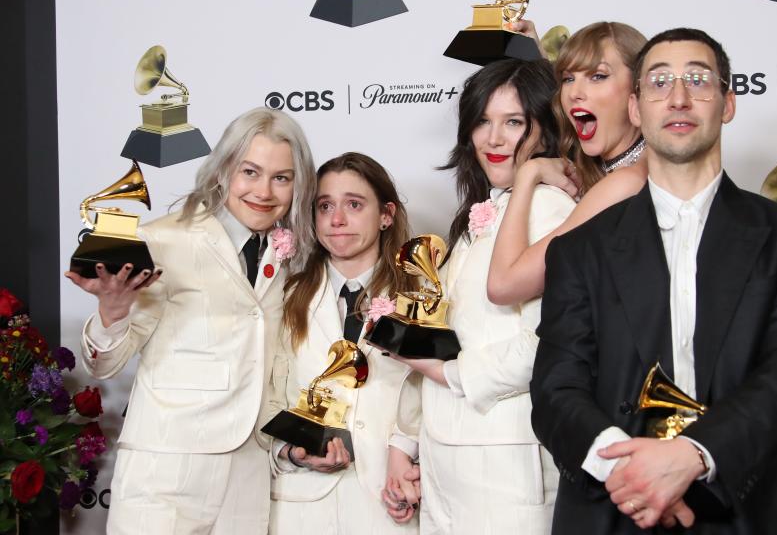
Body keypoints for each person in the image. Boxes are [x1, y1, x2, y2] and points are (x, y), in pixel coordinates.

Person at [530, 28, 777, 533]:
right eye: (658, 83)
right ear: (635, 108)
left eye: (698, 80)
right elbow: (556, 389)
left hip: (754, 505)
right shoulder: (579, 249)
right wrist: (633, 473)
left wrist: (694, 456)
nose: (677, 97)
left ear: (728, 103)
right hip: (616, 505)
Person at [66, 107, 316, 534]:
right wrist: (112, 312)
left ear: (298, 186)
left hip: (249, 476)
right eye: (250, 172)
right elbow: (104, 363)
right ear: (222, 171)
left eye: (282, 177)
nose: (264, 191)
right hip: (167, 471)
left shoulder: (292, 256)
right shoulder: (163, 239)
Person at [384, 58, 576, 534]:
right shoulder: (479, 215)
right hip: (448, 462)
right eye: (483, 122)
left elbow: (551, 342)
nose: (493, 139)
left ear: (545, 127)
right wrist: (406, 445)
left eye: (513, 122)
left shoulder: (551, 208)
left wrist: (451, 373)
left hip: (508, 465)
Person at [262, 152, 421, 534]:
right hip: (301, 510)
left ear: (386, 215)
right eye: (325, 206)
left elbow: (433, 392)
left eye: (354, 204)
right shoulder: (284, 298)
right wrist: (291, 451)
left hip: (388, 502)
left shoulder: (421, 297)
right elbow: (266, 396)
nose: (336, 220)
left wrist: (408, 453)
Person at [487, 21, 650, 305]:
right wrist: (536, 57)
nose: (574, 93)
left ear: (638, 88)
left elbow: (504, 286)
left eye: (598, 76)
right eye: (568, 78)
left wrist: (528, 175)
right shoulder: (620, 165)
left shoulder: (626, 183)